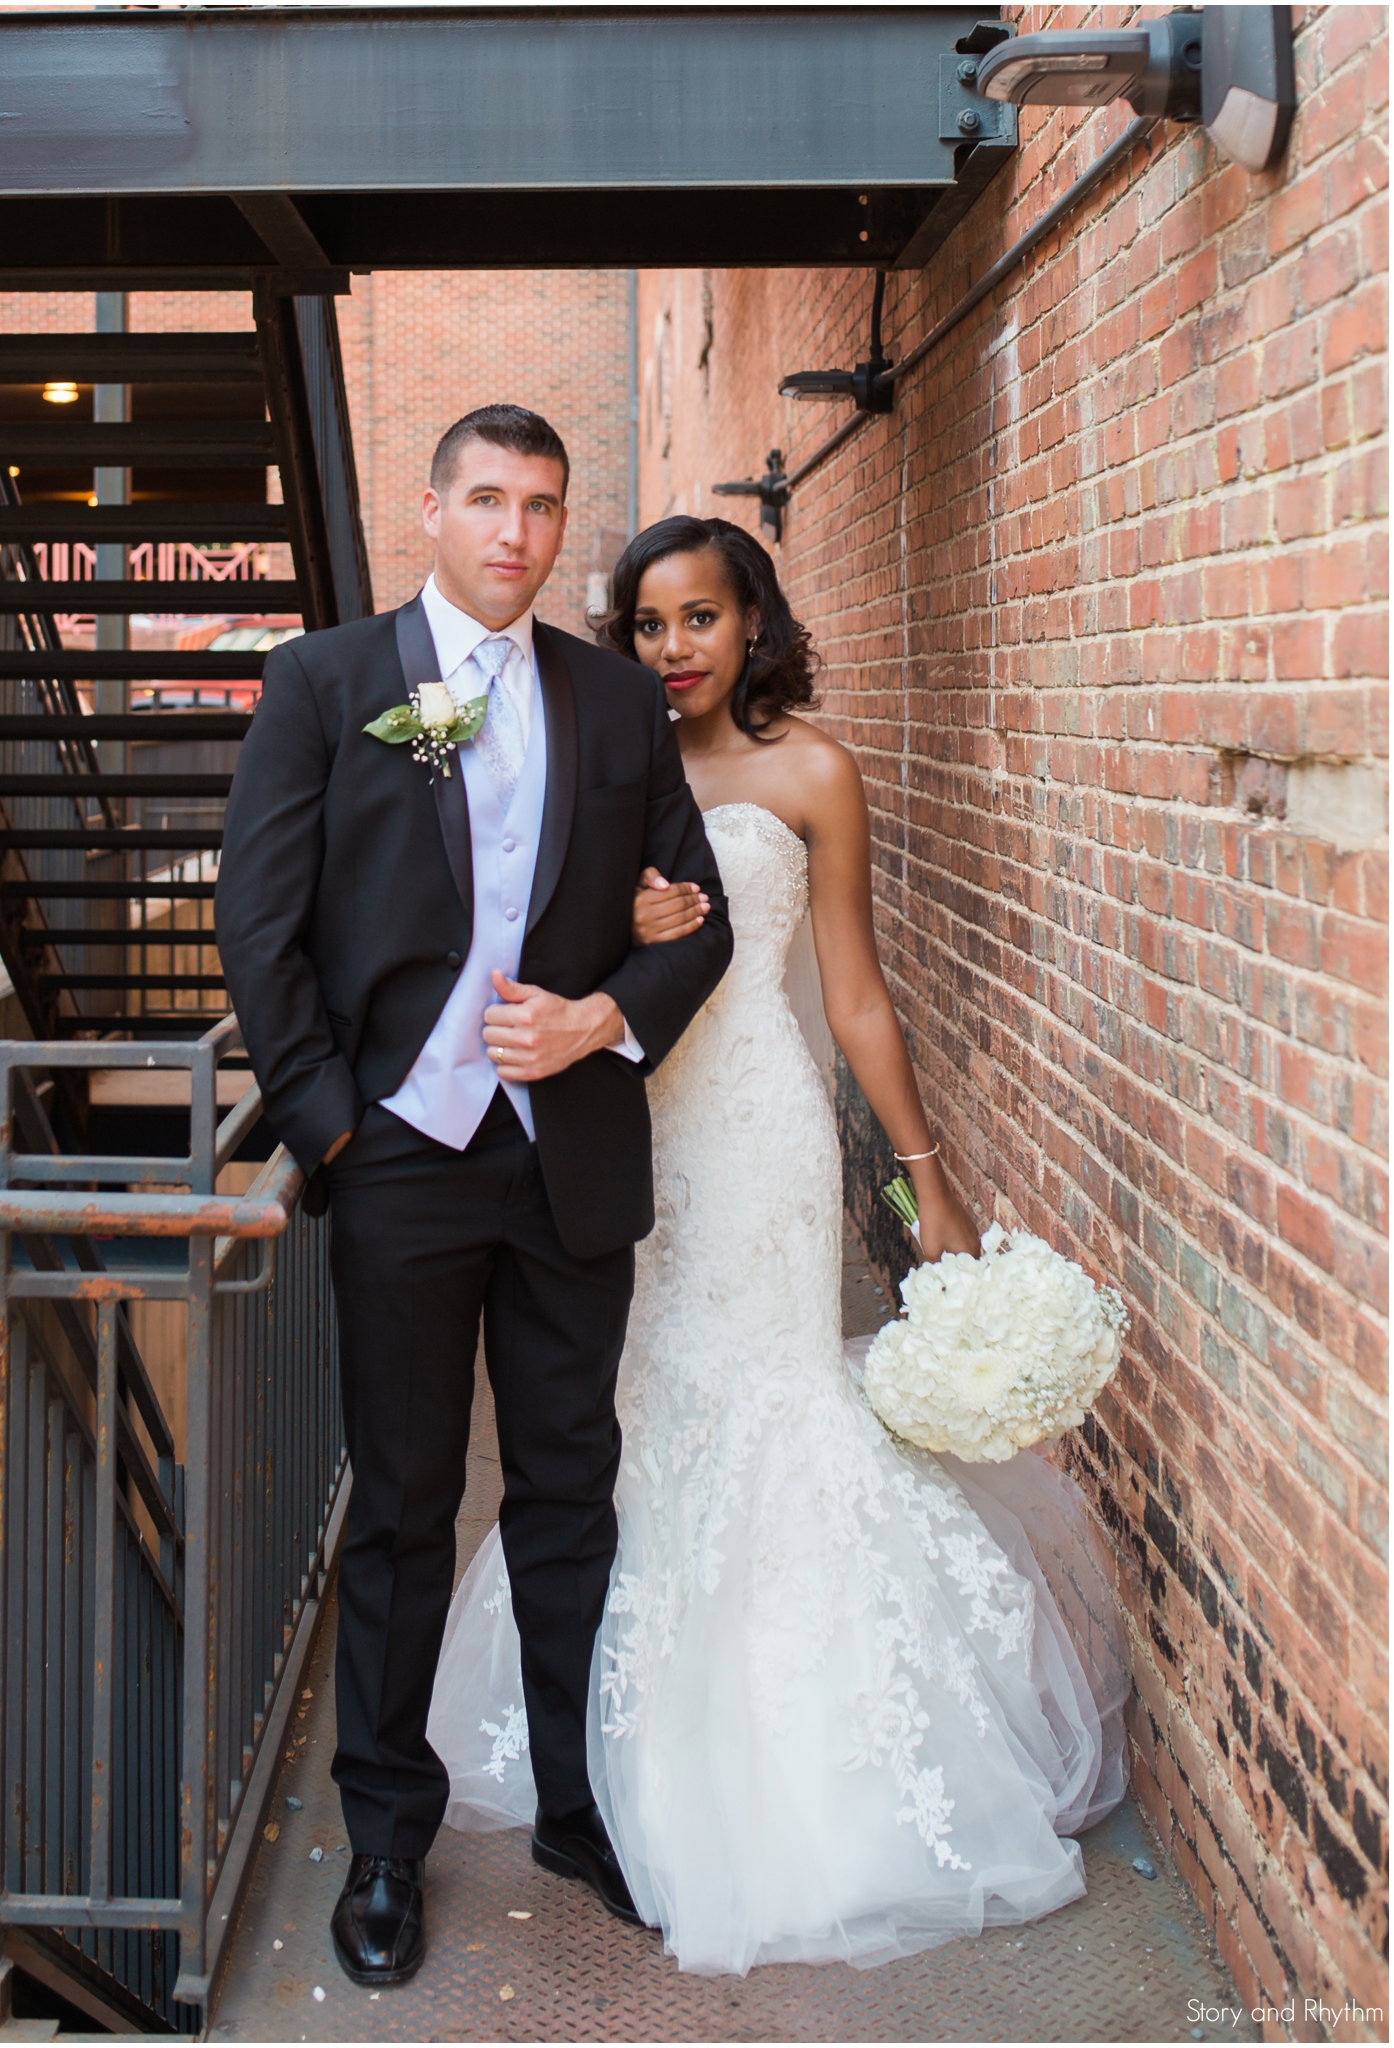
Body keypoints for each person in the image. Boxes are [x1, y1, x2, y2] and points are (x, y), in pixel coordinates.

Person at [427, 513, 1130, 1975]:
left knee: (769, 1392)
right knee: (620, 1407)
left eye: (699, 618)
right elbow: (521, 941)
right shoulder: (595, 761)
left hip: (758, 1138)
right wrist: (615, 920)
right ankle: (598, 1727)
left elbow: (855, 993)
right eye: (647, 624)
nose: (672, 649)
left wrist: (924, 1180)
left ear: (751, 621)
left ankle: (799, 1741)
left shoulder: (813, 772)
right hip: (623, 1131)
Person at [215, 422, 733, 1989]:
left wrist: (602, 1017)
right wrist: (333, 1126)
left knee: (571, 1485)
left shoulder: (613, 695)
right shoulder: (324, 681)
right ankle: (384, 1840)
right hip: (400, 1166)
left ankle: (575, 1803)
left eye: (542, 508)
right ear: (431, 511)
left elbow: (692, 920)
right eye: (487, 502)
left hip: (564, 1158)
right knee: (400, 1504)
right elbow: (261, 919)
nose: (513, 533)